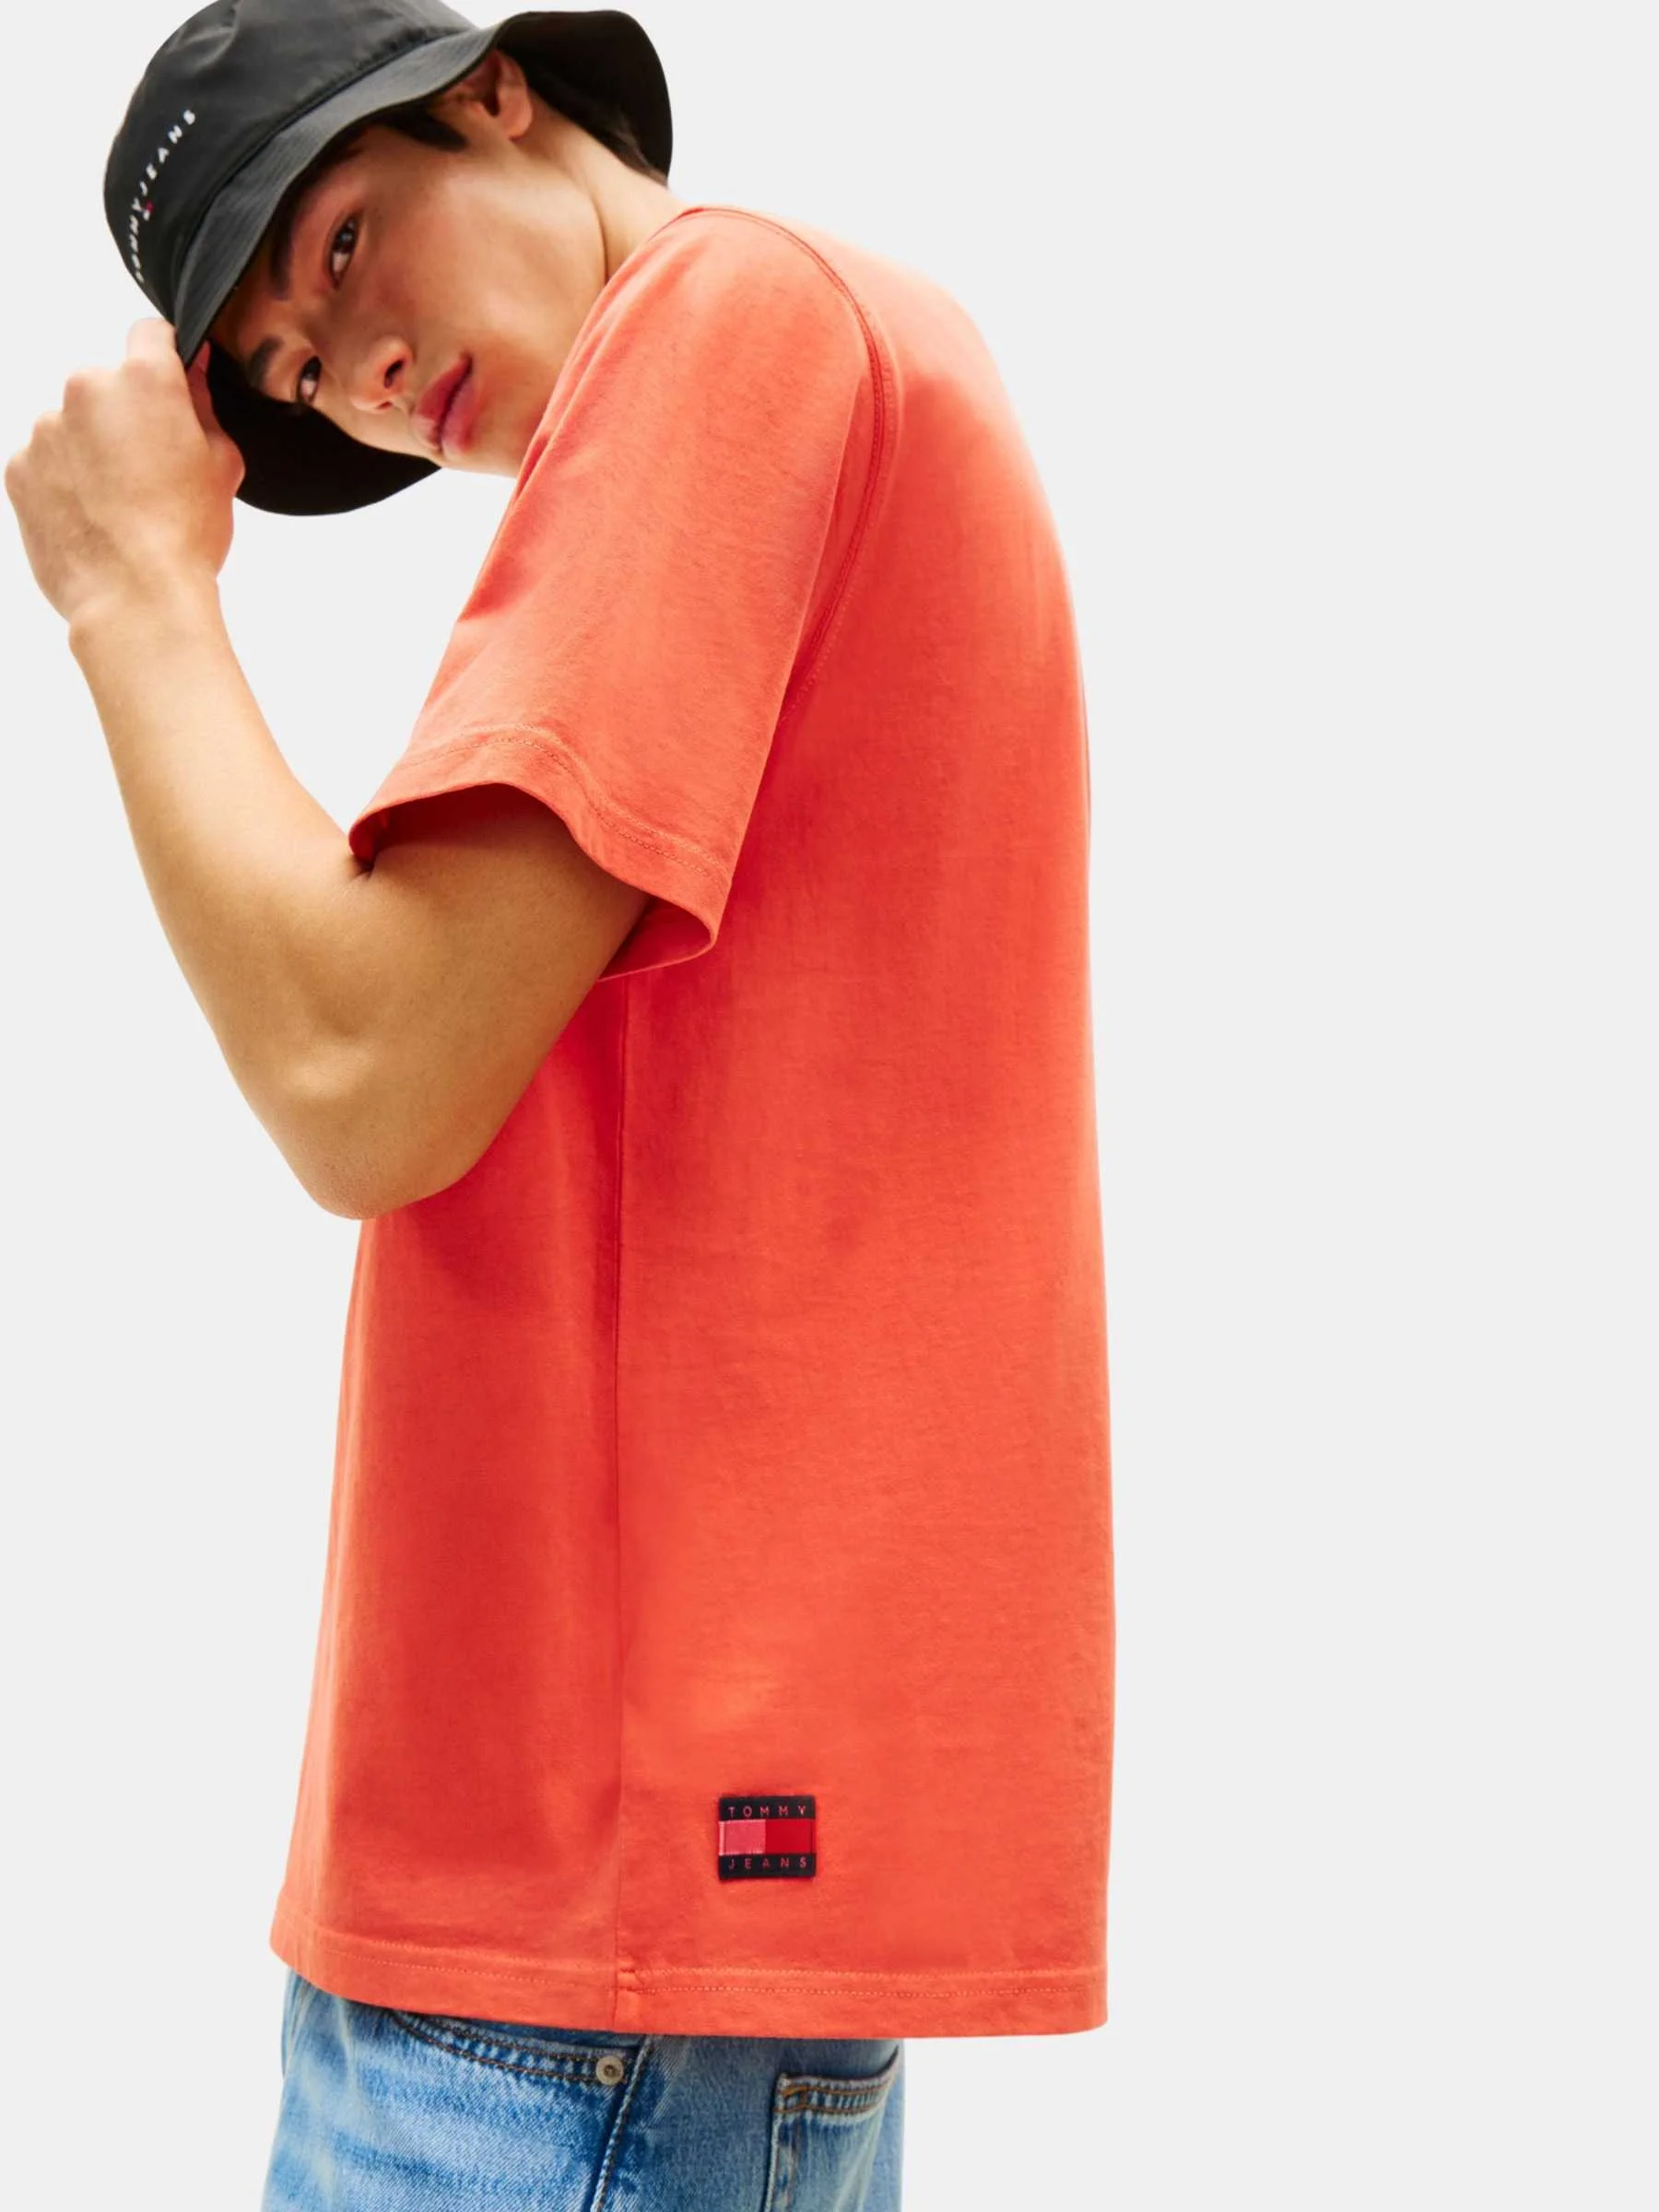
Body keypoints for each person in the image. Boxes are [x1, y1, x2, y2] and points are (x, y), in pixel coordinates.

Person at [6, 2, 1115, 2204]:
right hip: (632, 1924)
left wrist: (134, 588)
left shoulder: (730, 323)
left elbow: (364, 1076)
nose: (350, 367)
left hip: (574, 1956)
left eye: (337, 245)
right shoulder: (863, 343)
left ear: (496, 93)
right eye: (291, 370)